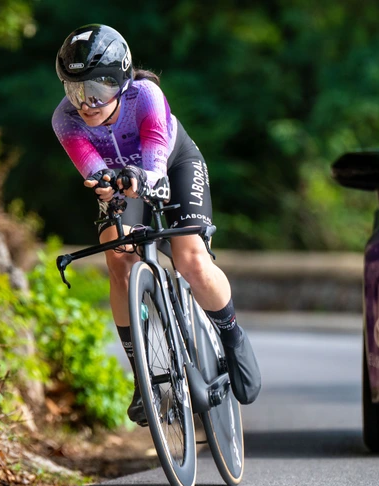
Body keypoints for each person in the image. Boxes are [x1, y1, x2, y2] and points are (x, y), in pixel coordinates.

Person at [52, 24, 261, 425]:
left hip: (170, 163)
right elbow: (96, 175)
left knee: (191, 259)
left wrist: (137, 182)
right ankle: (143, 374)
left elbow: (155, 167)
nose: (86, 103)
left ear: (120, 81)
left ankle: (232, 335)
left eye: (96, 89)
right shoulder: (66, 121)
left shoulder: (145, 96)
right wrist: (107, 189)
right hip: (122, 180)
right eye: (74, 90)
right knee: (117, 257)